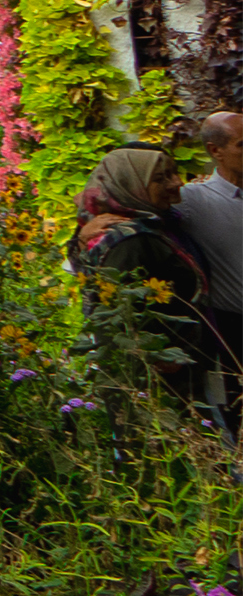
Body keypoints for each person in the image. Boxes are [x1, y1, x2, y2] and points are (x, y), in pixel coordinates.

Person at [75, 141, 238, 414]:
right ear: (132, 183)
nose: (177, 183)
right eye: (161, 178)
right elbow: (113, 316)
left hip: (188, 367)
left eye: (175, 173)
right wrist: (147, 361)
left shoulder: (162, 224)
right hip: (158, 385)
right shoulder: (127, 240)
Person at [169, 110, 243, 350]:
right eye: (242, 145)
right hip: (235, 328)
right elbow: (138, 213)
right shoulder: (193, 200)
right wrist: (94, 223)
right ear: (215, 151)